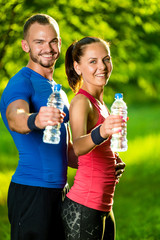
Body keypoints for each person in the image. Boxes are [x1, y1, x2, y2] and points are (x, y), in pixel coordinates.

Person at [0, 14, 77, 240]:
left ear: (60, 43)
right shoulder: (21, 82)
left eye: (53, 41)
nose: (48, 48)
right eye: (39, 42)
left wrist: (102, 163)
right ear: (26, 46)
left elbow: (68, 150)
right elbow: (16, 118)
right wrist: (35, 119)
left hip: (60, 192)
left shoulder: (58, 91)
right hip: (31, 191)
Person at [61, 37, 126, 240]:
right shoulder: (81, 101)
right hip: (85, 205)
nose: (102, 67)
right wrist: (103, 131)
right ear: (77, 67)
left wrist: (113, 161)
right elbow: (79, 146)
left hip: (104, 204)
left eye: (106, 59)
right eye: (93, 61)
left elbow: (97, 150)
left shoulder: (101, 104)